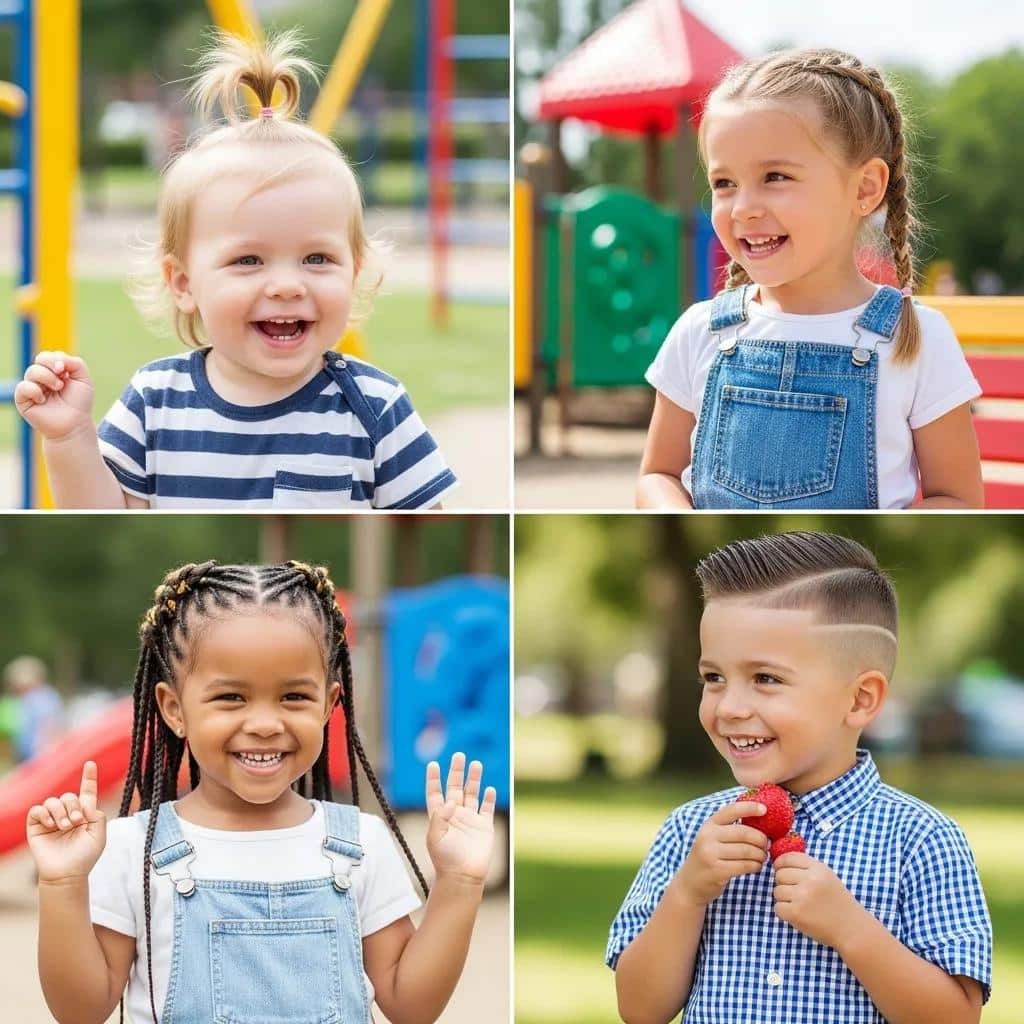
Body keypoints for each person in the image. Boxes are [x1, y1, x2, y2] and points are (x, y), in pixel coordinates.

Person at [27, 560, 496, 1023]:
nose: (266, 724)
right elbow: (80, 1011)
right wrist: (63, 884)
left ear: (329, 704)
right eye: (231, 697)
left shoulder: (362, 844)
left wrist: (458, 881)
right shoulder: (134, 848)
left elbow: (409, 1005)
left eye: (294, 697)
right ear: (174, 709)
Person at [15, 32, 457, 509]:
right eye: (248, 260)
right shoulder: (155, 401)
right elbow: (105, 519)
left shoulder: (376, 407)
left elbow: (424, 519)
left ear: (354, 273)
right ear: (183, 284)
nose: (288, 285)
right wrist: (69, 439)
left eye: (317, 259)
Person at [607, 532, 992, 1024]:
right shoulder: (691, 832)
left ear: (860, 700)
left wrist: (850, 927)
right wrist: (688, 893)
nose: (729, 707)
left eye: (766, 679)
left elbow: (956, 1018)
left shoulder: (921, 841)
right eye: (713, 678)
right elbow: (639, 1009)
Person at [637, 49, 983, 510]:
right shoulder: (700, 331)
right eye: (724, 183)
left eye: (775, 176)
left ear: (865, 189)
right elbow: (657, 474)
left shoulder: (914, 339)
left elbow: (957, 499)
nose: (743, 207)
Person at [3, 655, 63, 762]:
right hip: (28, 758)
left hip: (40, 757)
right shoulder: (25, 700)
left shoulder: (43, 698)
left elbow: (49, 727)